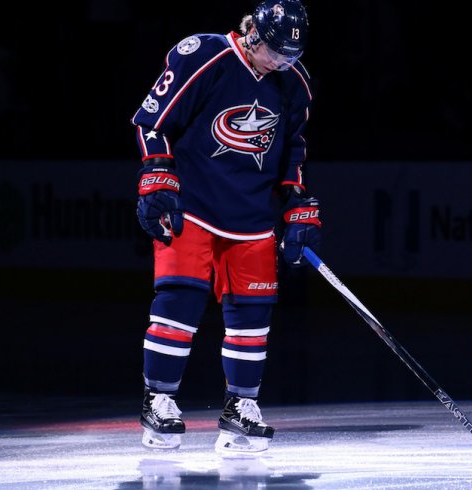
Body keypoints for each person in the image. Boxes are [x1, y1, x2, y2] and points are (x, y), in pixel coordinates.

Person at [129, 0, 320, 456]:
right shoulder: (205, 56)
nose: (282, 63)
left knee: (253, 316)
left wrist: (297, 205)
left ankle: (241, 410)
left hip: (252, 216)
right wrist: (156, 177)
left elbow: (291, 149)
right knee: (180, 299)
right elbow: (151, 122)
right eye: (276, 52)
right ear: (254, 33)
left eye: (291, 56)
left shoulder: (295, 83)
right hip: (192, 206)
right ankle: (159, 400)